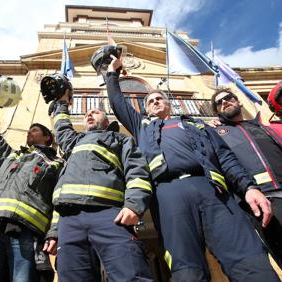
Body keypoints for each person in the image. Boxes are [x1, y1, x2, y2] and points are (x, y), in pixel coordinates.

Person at [105, 55, 279, 282]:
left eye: (159, 98)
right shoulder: (141, 126)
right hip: (168, 194)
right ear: (146, 110)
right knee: (186, 267)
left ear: (168, 104)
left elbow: (226, 159)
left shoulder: (198, 125)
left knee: (248, 258)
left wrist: (248, 188)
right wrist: (112, 73)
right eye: (150, 101)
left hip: (213, 191)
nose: (156, 101)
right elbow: (118, 102)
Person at [50, 90, 154, 282]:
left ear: (107, 121)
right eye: (86, 114)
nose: (89, 114)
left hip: (110, 215)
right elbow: (62, 127)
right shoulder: (74, 142)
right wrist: (62, 102)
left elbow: (137, 172)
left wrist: (134, 205)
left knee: (131, 275)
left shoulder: (120, 139)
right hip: (69, 219)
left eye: (96, 112)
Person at [0, 102, 63, 282]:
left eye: (35, 130)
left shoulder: (56, 163)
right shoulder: (12, 156)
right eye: (29, 130)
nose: (29, 133)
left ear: (47, 137)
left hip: (26, 231)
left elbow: (59, 200)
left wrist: (53, 232)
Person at [210, 88, 282, 265]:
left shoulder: (261, 126)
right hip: (264, 201)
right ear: (217, 112)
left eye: (228, 98)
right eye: (219, 103)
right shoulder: (216, 133)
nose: (225, 102)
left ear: (239, 101)